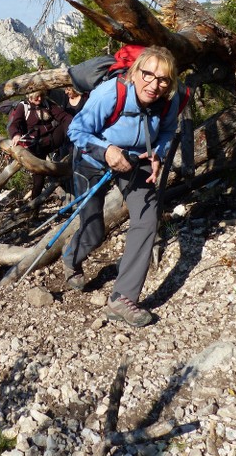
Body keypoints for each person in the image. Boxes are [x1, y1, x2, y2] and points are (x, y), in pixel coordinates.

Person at [61, 46, 180, 327]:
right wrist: (108, 151)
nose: (154, 85)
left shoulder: (169, 100)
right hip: (92, 156)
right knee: (94, 229)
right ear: (134, 73)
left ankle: (122, 298)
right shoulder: (110, 93)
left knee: (148, 219)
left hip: (136, 159)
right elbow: (76, 130)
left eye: (163, 79)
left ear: (170, 82)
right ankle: (71, 257)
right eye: (148, 75)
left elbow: (166, 131)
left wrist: (158, 155)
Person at [8, 91, 73, 199]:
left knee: (66, 124)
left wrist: (71, 129)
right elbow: (14, 124)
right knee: (39, 180)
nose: (39, 99)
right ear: (29, 96)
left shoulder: (46, 103)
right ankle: (34, 209)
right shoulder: (23, 106)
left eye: (41, 96)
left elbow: (64, 117)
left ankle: (73, 151)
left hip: (51, 140)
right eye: (36, 97)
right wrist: (16, 135)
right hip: (35, 146)